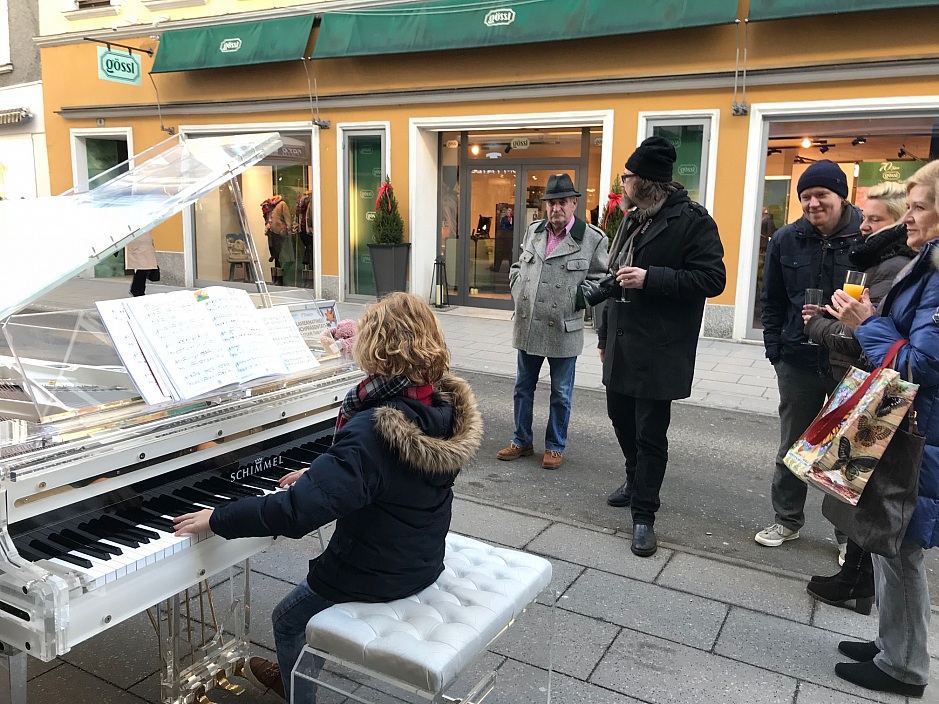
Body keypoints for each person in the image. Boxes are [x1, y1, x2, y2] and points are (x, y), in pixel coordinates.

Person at [173, 292, 483, 703]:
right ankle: (297, 670)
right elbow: (385, 476)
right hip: (421, 554)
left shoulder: (374, 428)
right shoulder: (438, 404)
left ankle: (297, 687)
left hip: (377, 568)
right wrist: (325, 472)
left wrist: (218, 518)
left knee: (287, 620)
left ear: (377, 349)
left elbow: (297, 513)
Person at [820, 160, 939, 699]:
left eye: (917, 208)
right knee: (892, 544)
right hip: (907, 420)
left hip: (917, 426)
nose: (906, 220)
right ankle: (894, 644)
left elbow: (918, 365)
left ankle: (905, 666)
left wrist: (865, 322)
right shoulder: (927, 264)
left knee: (901, 546)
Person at [597, 136, 726, 557]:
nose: (623, 182)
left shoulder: (694, 221)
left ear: (647, 181)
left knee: (651, 433)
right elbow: (615, 273)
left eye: (628, 176)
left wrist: (651, 278)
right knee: (620, 419)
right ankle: (634, 480)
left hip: (660, 347)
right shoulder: (634, 217)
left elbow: (712, 280)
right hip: (621, 340)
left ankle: (644, 516)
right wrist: (602, 335)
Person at [802, 181, 914, 613]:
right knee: (854, 485)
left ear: (903, 220)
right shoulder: (884, 263)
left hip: (879, 393)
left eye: (875, 219)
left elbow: (865, 338)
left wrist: (819, 327)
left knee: (860, 489)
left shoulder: (896, 265)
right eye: (864, 217)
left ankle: (859, 583)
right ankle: (855, 578)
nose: (864, 226)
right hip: (873, 387)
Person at [755, 160, 864, 549]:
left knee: (845, 452)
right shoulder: (787, 238)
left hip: (849, 362)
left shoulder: (866, 236)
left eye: (822, 195)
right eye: (806, 197)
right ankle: (787, 520)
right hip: (797, 359)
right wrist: (775, 350)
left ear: (841, 196)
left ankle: (846, 538)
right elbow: (771, 299)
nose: (813, 203)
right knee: (794, 446)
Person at [498, 174, 608, 470]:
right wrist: (519, 290)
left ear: (574, 203)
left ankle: (555, 446)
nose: (555, 208)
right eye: (551, 203)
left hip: (563, 327)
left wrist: (572, 302)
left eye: (562, 202)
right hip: (530, 324)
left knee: (561, 392)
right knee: (523, 387)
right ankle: (521, 441)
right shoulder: (534, 231)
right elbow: (519, 265)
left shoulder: (592, 239)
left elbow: (600, 281)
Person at [125, 230, 158, 297]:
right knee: (143, 268)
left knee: (144, 268)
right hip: (139, 244)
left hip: (144, 243)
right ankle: (136, 290)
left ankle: (137, 290)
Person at [491, 205, 515, 273]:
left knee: (510, 254)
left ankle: (511, 269)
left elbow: (513, 227)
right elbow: (502, 226)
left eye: (510, 211)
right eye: (508, 211)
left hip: (510, 238)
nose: (509, 212)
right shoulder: (503, 219)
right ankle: (497, 268)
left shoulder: (514, 219)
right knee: (500, 254)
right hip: (503, 238)